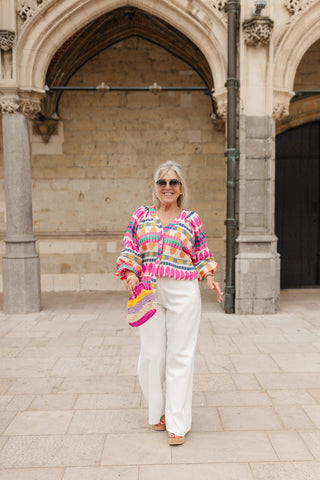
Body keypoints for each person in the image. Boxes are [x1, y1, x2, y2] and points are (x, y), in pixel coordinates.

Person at [116, 161, 221, 445]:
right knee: (151, 357)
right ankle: (156, 412)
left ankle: (177, 423)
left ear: (181, 188)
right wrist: (129, 273)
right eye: (163, 182)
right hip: (148, 291)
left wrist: (209, 277)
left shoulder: (191, 219)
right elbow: (130, 248)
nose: (168, 188)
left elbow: (201, 254)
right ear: (156, 187)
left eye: (173, 183)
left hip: (183, 290)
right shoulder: (141, 215)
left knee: (180, 356)